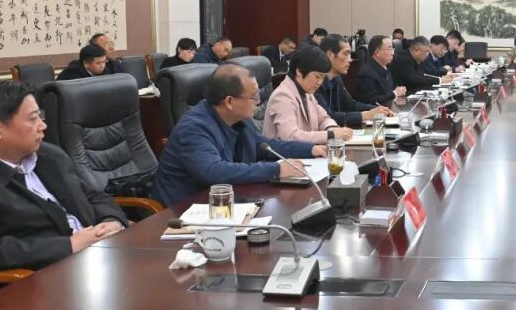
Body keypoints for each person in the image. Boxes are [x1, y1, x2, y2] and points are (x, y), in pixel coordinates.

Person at [0, 81, 128, 273]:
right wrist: (69, 245)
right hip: (45, 277)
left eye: (40, 116)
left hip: (99, 257)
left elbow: (92, 195)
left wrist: (111, 220)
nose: (43, 125)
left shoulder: (49, 155)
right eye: (33, 119)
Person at [151, 64, 323, 207]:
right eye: (254, 96)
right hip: (183, 211)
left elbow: (264, 146)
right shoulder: (194, 128)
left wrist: (312, 149)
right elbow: (214, 171)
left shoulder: (240, 119)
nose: (258, 102)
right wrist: (276, 170)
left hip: (225, 202)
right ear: (229, 101)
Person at [263, 46, 354, 145]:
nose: (319, 82)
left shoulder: (306, 92)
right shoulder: (282, 96)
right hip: (283, 155)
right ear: (299, 71)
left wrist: (332, 128)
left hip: (307, 152)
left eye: (323, 77)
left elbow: (324, 118)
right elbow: (290, 136)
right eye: (317, 76)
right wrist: (330, 135)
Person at [316, 35, 393, 127]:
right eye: (345, 54)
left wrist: (378, 109)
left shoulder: (336, 78)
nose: (350, 60)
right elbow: (328, 116)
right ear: (330, 55)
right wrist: (365, 115)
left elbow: (351, 105)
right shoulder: (316, 82)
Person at [355, 35, 407, 106]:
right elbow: (373, 101)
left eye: (392, 49)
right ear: (377, 52)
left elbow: (385, 92)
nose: (393, 53)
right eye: (389, 49)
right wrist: (394, 93)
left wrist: (397, 91)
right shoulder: (366, 74)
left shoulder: (385, 67)